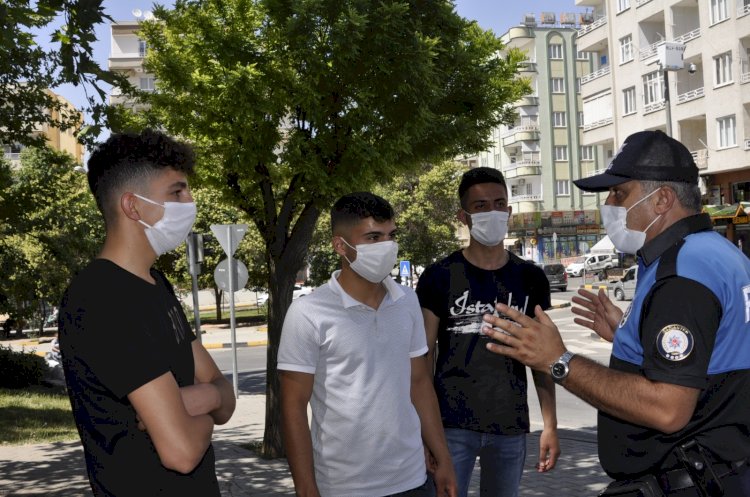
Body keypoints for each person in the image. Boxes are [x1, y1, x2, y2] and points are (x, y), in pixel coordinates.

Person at [481, 130, 750, 496]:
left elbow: (667, 410)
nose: (608, 203)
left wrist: (558, 361)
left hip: (687, 481)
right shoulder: (716, 252)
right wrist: (631, 334)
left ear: (662, 200)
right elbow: (712, 351)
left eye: (619, 193)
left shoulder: (682, 273)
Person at [58, 130, 236, 496]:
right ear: (132, 206)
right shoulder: (101, 299)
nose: (190, 201)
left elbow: (226, 396)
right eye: (176, 192)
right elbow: (182, 452)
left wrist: (202, 398)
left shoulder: (156, 284)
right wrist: (207, 402)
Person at [279, 192, 457, 497]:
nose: (386, 247)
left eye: (391, 236)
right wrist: (305, 487)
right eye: (373, 237)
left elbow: (419, 383)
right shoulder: (309, 313)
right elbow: (292, 406)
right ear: (340, 245)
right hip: (343, 486)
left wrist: (443, 459)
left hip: (412, 479)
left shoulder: (408, 301)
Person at [416, 167, 560, 497]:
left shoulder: (530, 278)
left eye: (498, 203)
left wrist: (550, 425)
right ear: (463, 216)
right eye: (480, 206)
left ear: (509, 210)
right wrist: (424, 433)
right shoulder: (439, 277)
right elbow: (422, 361)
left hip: (510, 426)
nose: (491, 212)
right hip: (451, 427)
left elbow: (543, 359)